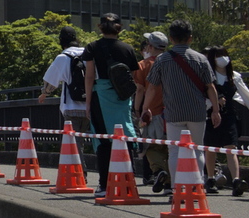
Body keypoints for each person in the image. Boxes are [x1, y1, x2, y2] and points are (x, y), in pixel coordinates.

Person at [143, 19, 220, 197]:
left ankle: (178, 188)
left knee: (175, 150)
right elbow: (210, 86)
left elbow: (152, 87)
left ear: (171, 38)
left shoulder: (162, 59)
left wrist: (146, 108)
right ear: (190, 38)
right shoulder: (200, 58)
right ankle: (197, 186)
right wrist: (215, 110)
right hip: (197, 112)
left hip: (173, 112)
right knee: (197, 148)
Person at [81, 12, 140, 197]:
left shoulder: (92, 47)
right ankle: (128, 182)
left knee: (103, 141)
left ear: (100, 27)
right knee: (125, 138)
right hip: (122, 99)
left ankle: (104, 185)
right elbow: (135, 79)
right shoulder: (128, 49)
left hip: (101, 97)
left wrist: (88, 103)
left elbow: (89, 77)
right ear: (119, 28)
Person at [39, 27, 89, 170]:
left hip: (71, 107)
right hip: (89, 106)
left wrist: (44, 93)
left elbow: (50, 82)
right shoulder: (88, 54)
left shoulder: (63, 57)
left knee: (73, 142)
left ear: (62, 41)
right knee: (81, 141)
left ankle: (80, 171)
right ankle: (81, 170)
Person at [202, 45, 247, 196]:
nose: (222, 58)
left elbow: (246, 96)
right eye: (218, 55)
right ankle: (210, 178)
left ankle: (236, 180)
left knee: (231, 147)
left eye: (224, 54)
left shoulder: (234, 76)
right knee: (210, 148)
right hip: (210, 114)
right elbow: (202, 94)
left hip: (229, 116)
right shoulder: (208, 75)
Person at [134, 32, 169, 193]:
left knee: (151, 147)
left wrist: (137, 108)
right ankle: (170, 185)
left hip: (151, 112)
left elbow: (140, 89)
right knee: (171, 149)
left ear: (149, 46)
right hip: (172, 112)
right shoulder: (172, 62)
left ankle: (159, 171)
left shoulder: (143, 65)